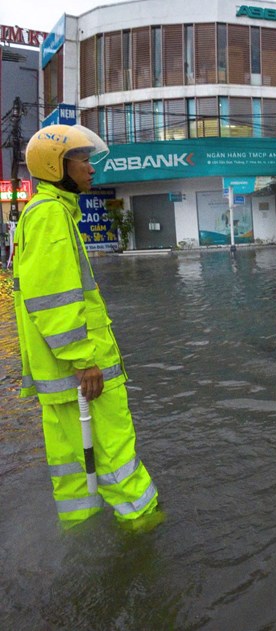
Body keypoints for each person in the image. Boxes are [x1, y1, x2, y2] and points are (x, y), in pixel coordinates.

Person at [13, 124, 161, 530]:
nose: (90, 168)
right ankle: (146, 536)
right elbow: (54, 300)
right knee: (117, 460)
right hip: (83, 375)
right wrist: (83, 361)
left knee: (74, 472)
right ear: (56, 165)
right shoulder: (51, 217)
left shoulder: (43, 213)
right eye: (81, 159)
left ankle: (84, 538)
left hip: (59, 376)